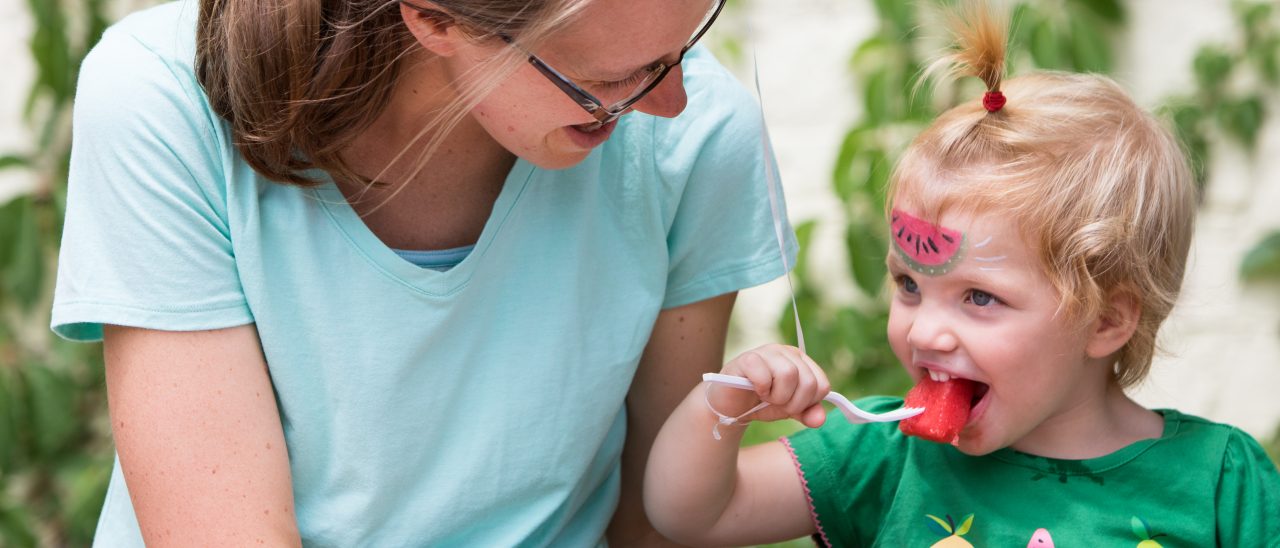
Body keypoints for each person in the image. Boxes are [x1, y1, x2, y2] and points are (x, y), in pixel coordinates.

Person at [51, 0, 797, 544]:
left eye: (679, 50)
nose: (669, 104)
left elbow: (651, 524)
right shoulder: (159, 96)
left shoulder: (700, 138)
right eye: (614, 78)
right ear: (435, 19)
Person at [643, 2, 1280, 546]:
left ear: (1107, 319)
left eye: (979, 297)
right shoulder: (883, 456)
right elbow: (690, 516)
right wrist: (723, 403)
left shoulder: (1220, 481)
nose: (927, 332)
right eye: (909, 286)